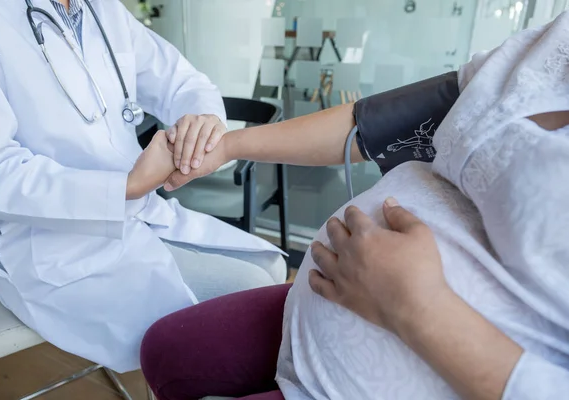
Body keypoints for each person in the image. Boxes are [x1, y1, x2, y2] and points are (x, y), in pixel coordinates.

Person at [140, 12, 569, 400]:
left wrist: (418, 306)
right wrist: (228, 147)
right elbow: (377, 124)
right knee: (165, 352)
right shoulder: (553, 41)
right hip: (332, 292)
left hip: (406, 370)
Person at [0, 0, 286, 373]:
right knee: (252, 299)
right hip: (44, 241)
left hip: (137, 213)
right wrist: (125, 186)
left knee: (268, 268)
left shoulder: (102, 9)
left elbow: (183, 82)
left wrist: (201, 123)